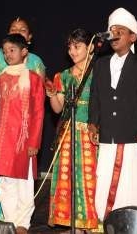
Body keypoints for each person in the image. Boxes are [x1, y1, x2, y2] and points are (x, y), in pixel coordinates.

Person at [88, 7, 137, 223]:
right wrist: (92, 123)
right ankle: (104, 221)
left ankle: (132, 223)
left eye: (120, 31)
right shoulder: (100, 63)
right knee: (104, 177)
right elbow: (95, 97)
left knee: (130, 181)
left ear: (132, 37)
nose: (114, 35)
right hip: (107, 134)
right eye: (111, 30)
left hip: (131, 134)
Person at [0, 16, 46, 221]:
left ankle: (23, 223)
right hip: (4, 140)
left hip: (24, 140)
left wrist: (34, 142)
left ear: (24, 52)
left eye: (13, 50)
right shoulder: (1, 77)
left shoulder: (34, 78)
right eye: (5, 51)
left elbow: (39, 113)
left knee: (25, 182)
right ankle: (10, 221)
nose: (8, 54)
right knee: (5, 183)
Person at [46, 29, 98, 231]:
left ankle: (92, 223)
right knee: (68, 179)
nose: (72, 51)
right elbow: (58, 108)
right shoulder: (64, 76)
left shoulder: (100, 72)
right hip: (68, 134)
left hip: (91, 133)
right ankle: (74, 223)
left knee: (91, 178)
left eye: (77, 47)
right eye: (69, 47)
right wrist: (51, 94)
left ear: (91, 47)